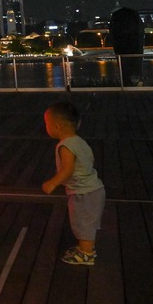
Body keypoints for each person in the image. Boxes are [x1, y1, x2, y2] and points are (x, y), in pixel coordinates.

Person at [42, 101, 105, 266]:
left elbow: (67, 169)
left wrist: (52, 183)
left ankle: (86, 254)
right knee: (85, 221)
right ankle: (84, 248)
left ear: (56, 127)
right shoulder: (79, 141)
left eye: (46, 123)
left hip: (84, 192)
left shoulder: (65, 146)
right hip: (93, 189)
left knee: (83, 223)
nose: (45, 127)